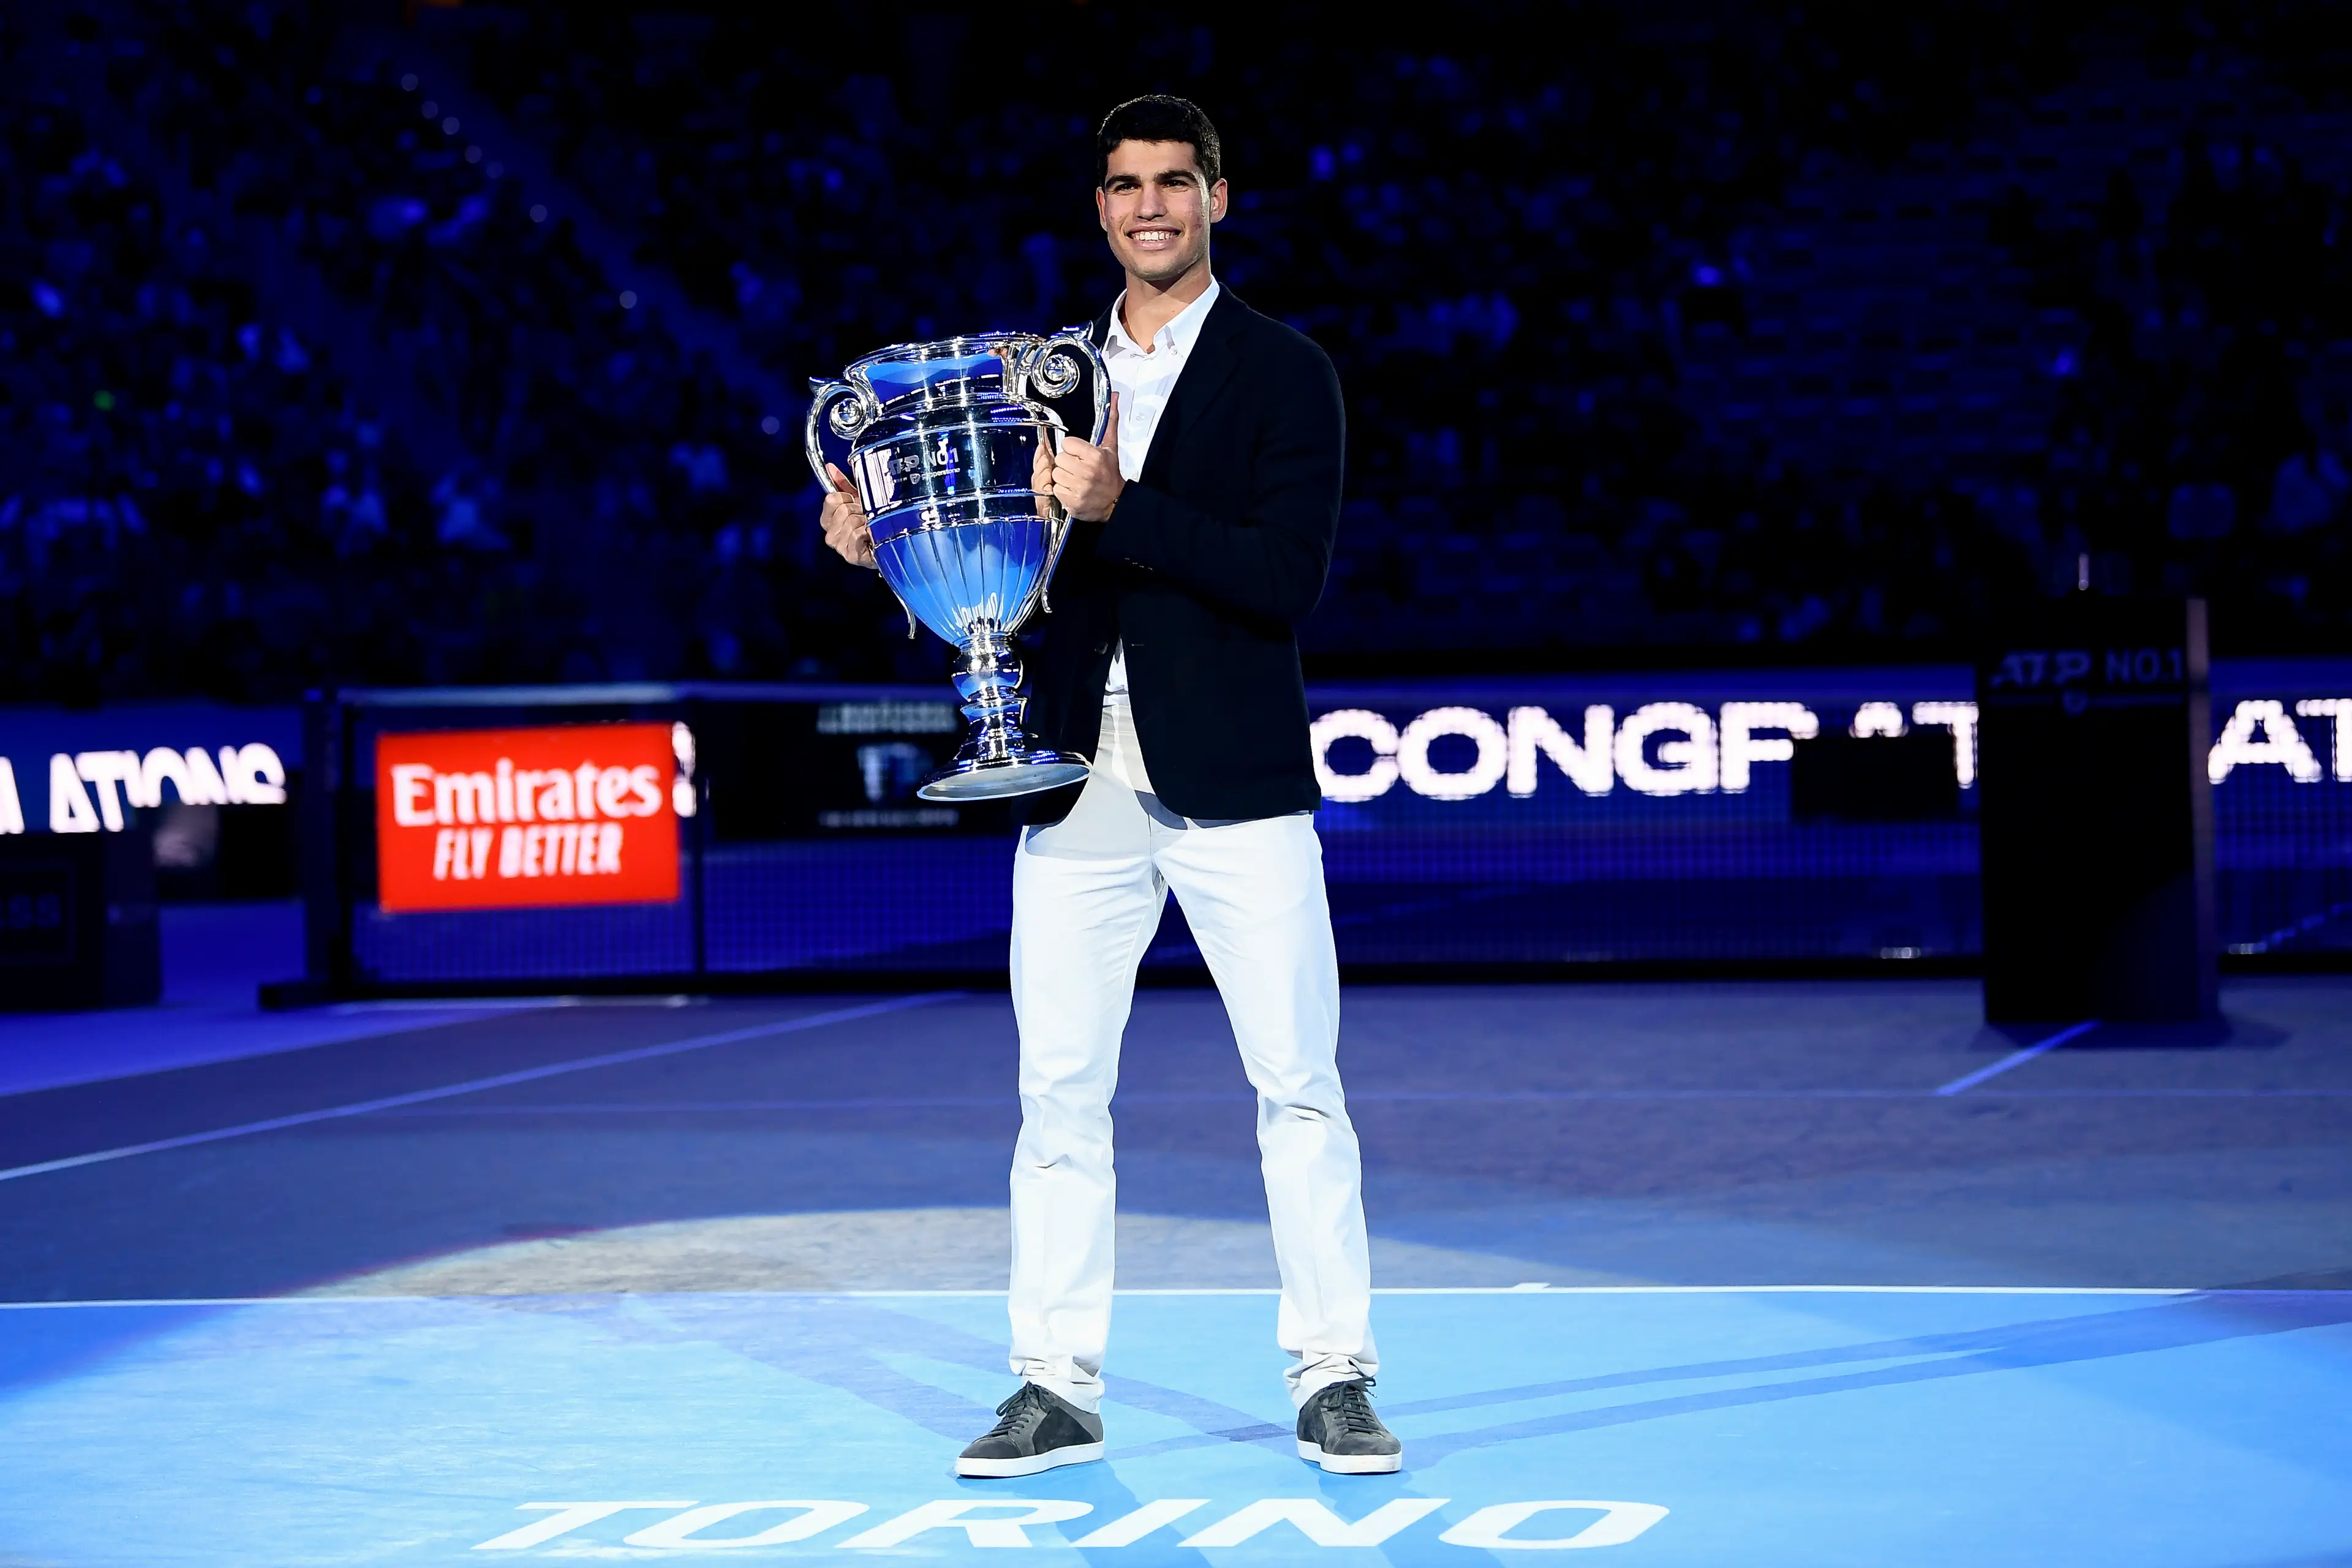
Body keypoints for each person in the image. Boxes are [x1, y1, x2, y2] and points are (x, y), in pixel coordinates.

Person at [818, 94, 1396, 1478]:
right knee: (1058, 1092)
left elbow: (1283, 578)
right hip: (1071, 773)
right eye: (1127, 186)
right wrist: (886, 545)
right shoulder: (1037, 373)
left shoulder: (1283, 371)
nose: (1152, 206)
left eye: (1176, 183)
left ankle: (1336, 1376)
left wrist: (1121, 506)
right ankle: (1055, 1385)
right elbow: (999, 578)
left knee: (1298, 1086)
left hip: (1236, 778)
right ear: (1100, 209)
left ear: (1215, 197)